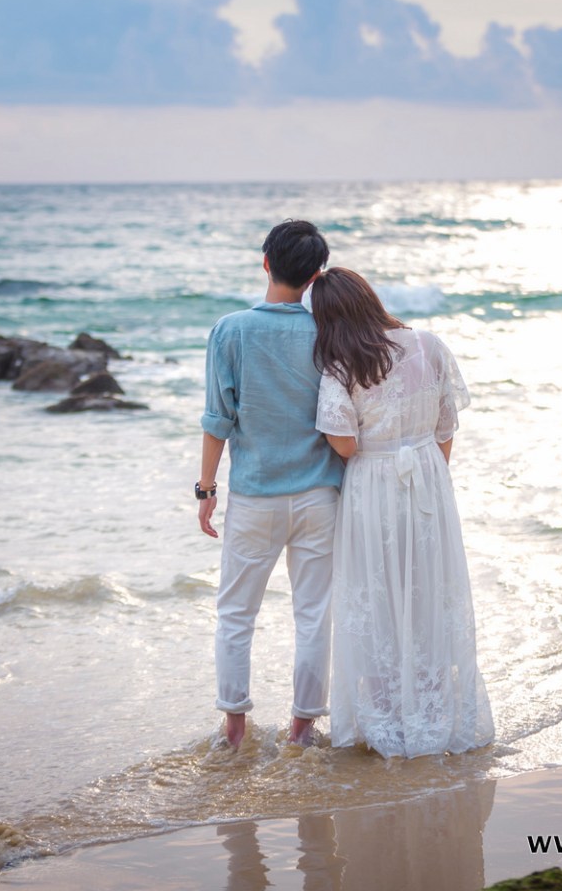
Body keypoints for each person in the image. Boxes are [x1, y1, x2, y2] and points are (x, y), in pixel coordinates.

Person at [311, 268, 494, 758]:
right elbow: (446, 422)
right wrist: (430, 475)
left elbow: (345, 445)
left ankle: (389, 718)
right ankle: (435, 712)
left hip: (374, 481)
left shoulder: (340, 364)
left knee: (377, 599)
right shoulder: (428, 344)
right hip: (428, 477)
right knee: (428, 592)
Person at [198, 220, 344, 749]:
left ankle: (235, 728)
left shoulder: (230, 329)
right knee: (313, 614)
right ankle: (303, 727)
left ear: (266, 263)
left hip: (256, 495)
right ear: (315, 275)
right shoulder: (328, 333)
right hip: (319, 495)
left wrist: (206, 488)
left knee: (236, 614)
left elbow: (219, 418)